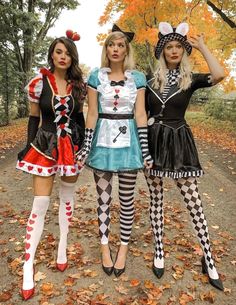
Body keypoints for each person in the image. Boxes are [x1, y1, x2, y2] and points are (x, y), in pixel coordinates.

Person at [145, 22, 225, 290]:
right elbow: (139, 113)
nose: (174, 50)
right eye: (169, 46)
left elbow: (220, 74)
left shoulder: (189, 80)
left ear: (184, 50)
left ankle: (209, 258)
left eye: (179, 46)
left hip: (180, 143)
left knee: (193, 201)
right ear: (162, 51)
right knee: (156, 199)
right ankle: (159, 250)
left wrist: (202, 46)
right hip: (155, 143)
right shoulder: (149, 81)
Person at [77, 24, 153, 277]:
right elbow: (93, 113)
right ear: (106, 48)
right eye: (112, 44)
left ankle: (122, 248)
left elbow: (140, 114)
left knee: (128, 200)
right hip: (102, 142)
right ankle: (104, 247)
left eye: (121, 45)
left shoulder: (138, 78)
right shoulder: (96, 76)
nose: (116, 49)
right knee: (103, 200)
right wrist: (86, 146)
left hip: (129, 144)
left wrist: (145, 150)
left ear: (126, 50)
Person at [16, 30, 86, 300]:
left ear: (72, 58)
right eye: (59, 51)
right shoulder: (38, 83)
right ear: (52, 54)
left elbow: (78, 119)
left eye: (67, 53)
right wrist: (28, 145)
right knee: (41, 204)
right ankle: (27, 264)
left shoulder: (77, 86)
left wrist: (81, 147)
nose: (63, 57)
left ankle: (62, 246)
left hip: (70, 149)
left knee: (67, 198)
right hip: (45, 146)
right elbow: (34, 118)